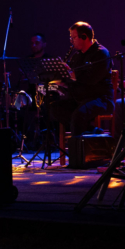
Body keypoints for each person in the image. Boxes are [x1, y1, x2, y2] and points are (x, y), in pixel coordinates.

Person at [49, 22, 114, 156]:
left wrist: (74, 76)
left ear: (84, 37)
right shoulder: (77, 56)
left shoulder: (101, 53)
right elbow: (72, 78)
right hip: (80, 98)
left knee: (78, 115)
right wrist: (63, 82)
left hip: (100, 98)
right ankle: (92, 131)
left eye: (73, 37)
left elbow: (92, 79)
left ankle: (77, 157)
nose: (71, 41)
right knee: (55, 108)